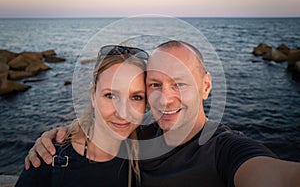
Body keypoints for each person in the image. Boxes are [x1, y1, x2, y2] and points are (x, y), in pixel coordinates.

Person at [25, 40, 300, 187]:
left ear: (205, 86)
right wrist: (58, 137)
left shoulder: (225, 148)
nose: (165, 98)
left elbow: (276, 176)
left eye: (179, 83)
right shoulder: (137, 140)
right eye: (155, 85)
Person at [16, 45, 149, 187]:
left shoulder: (147, 154)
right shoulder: (50, 156)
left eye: (136, 97)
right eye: (110, 95)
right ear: (93, 95)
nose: (123, 112)